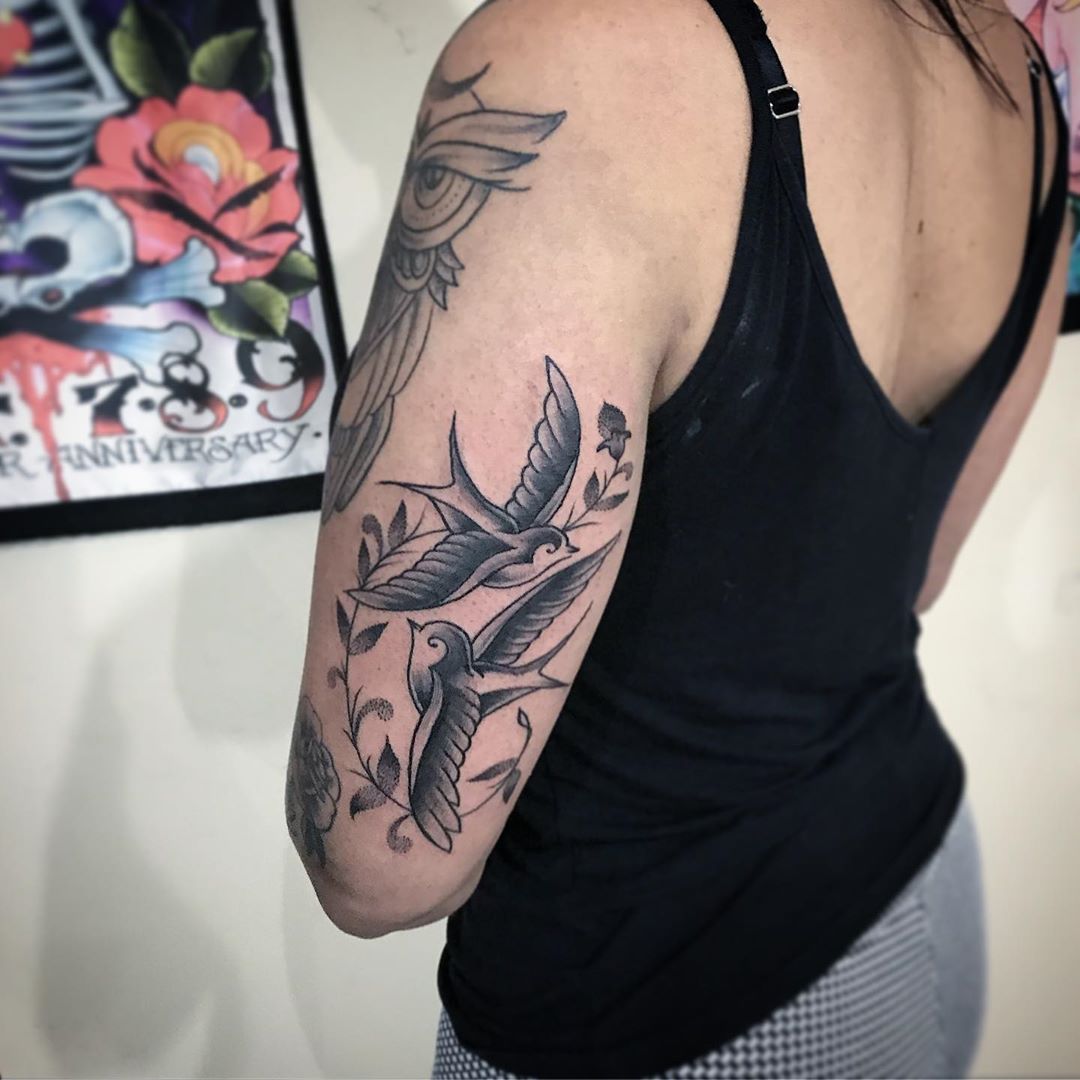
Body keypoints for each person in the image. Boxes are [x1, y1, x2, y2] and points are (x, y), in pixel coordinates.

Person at [285, 0, 1070, 1075]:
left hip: (671, 1001)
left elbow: (380, 862)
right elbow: (914, 572)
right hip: (917, 888)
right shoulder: (1012, 68)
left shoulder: (572, 64)